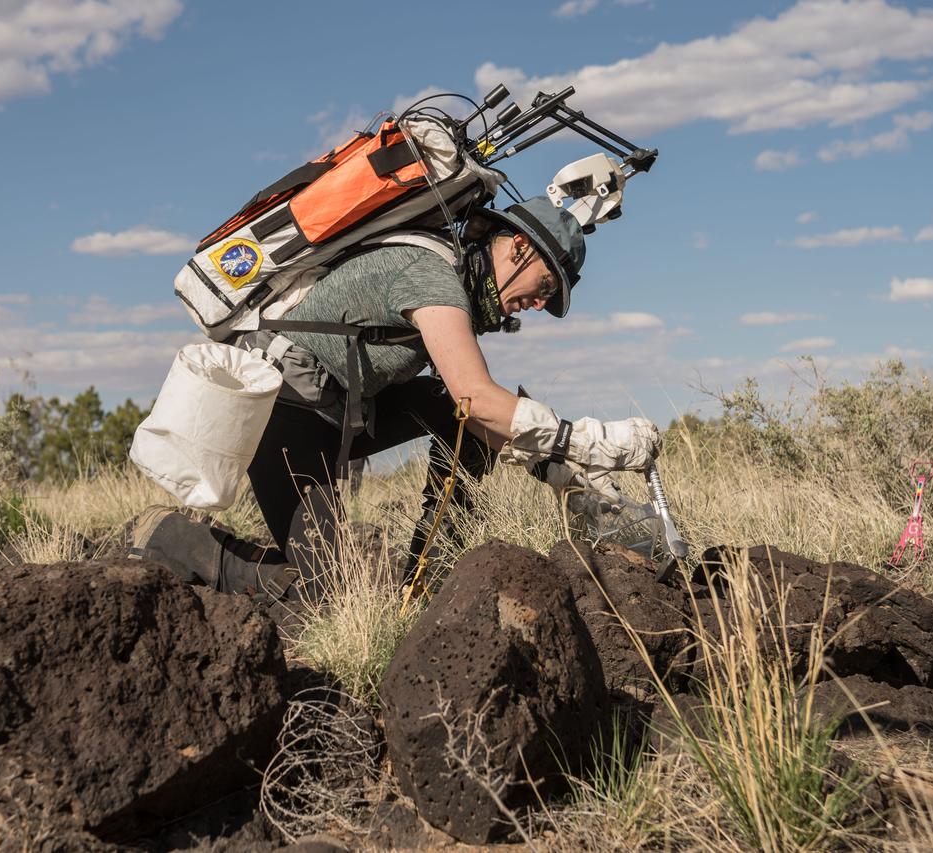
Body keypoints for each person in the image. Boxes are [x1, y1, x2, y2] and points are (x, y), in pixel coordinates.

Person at [129, 197, 662, 610]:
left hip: (337, 414)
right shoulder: (429, 273)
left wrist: (566, 474)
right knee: (332, 599)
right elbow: (477, 397)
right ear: (518, 246)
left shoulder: (451, 278)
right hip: (285, 421)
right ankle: (179, 540)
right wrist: (589, 442)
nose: (540, 305)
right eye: (546, 285)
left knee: (450, 412)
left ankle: (424, 580)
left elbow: (471, 410)